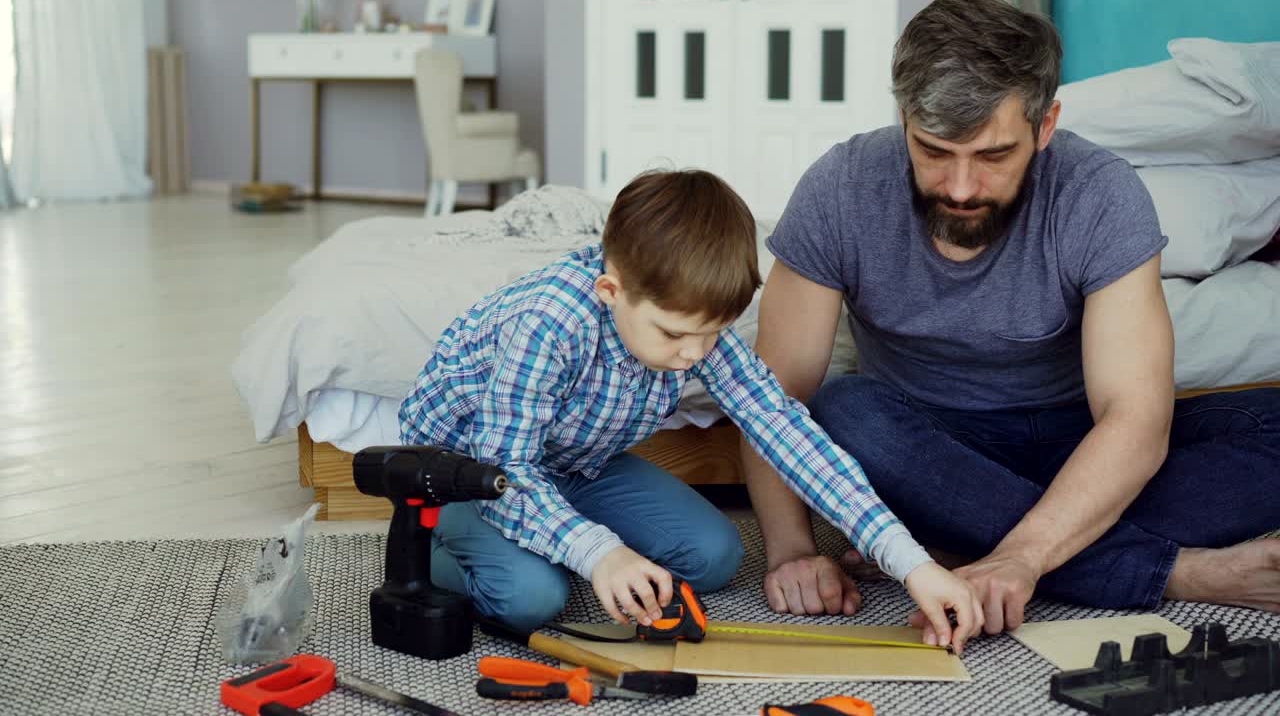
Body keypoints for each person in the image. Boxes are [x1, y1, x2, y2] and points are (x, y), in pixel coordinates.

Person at [744, 0, 1280, 644]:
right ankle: (1175, 573)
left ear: (1045, 125)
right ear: (905, 116)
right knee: (846, 410)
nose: (962, 187)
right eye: (934, 150)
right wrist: (791, 549)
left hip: (1080, 448)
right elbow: (770, 402)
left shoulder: (1100, 193)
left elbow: (1135, 420)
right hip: (930, 453)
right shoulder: (840, 189)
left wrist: (1021, 557)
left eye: (994, 155)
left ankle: (970, 543)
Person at [401, 169, 983, 650]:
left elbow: (786, 433)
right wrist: (600, 553)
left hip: (575, 462)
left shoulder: (698, 332)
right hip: (472, 470)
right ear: (611, 291)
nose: (692, 355)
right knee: (532, 599)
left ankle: (562, 539)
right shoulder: (548, 323)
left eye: (711, 334)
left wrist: (911, 563)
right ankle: (422, 544)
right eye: (675, 334)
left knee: (715, 556)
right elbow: (508, 466)